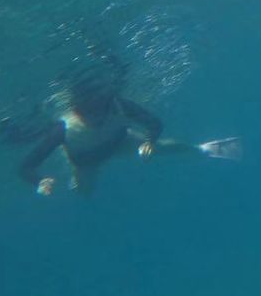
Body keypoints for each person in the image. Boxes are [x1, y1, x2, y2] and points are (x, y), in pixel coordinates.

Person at [16, 54, 240, 197]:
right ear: (77, 106)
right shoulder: (62, 129)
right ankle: (75, 182)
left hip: (122, 141)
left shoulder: (118, 104)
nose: (97, 112)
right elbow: (25, 167)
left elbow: (154, 123)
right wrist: (39, 182)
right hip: (86, 162)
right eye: (90, 107)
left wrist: (150, 141)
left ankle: (203, 149)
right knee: (84, 192)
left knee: (161, 147)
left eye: (99, 102)